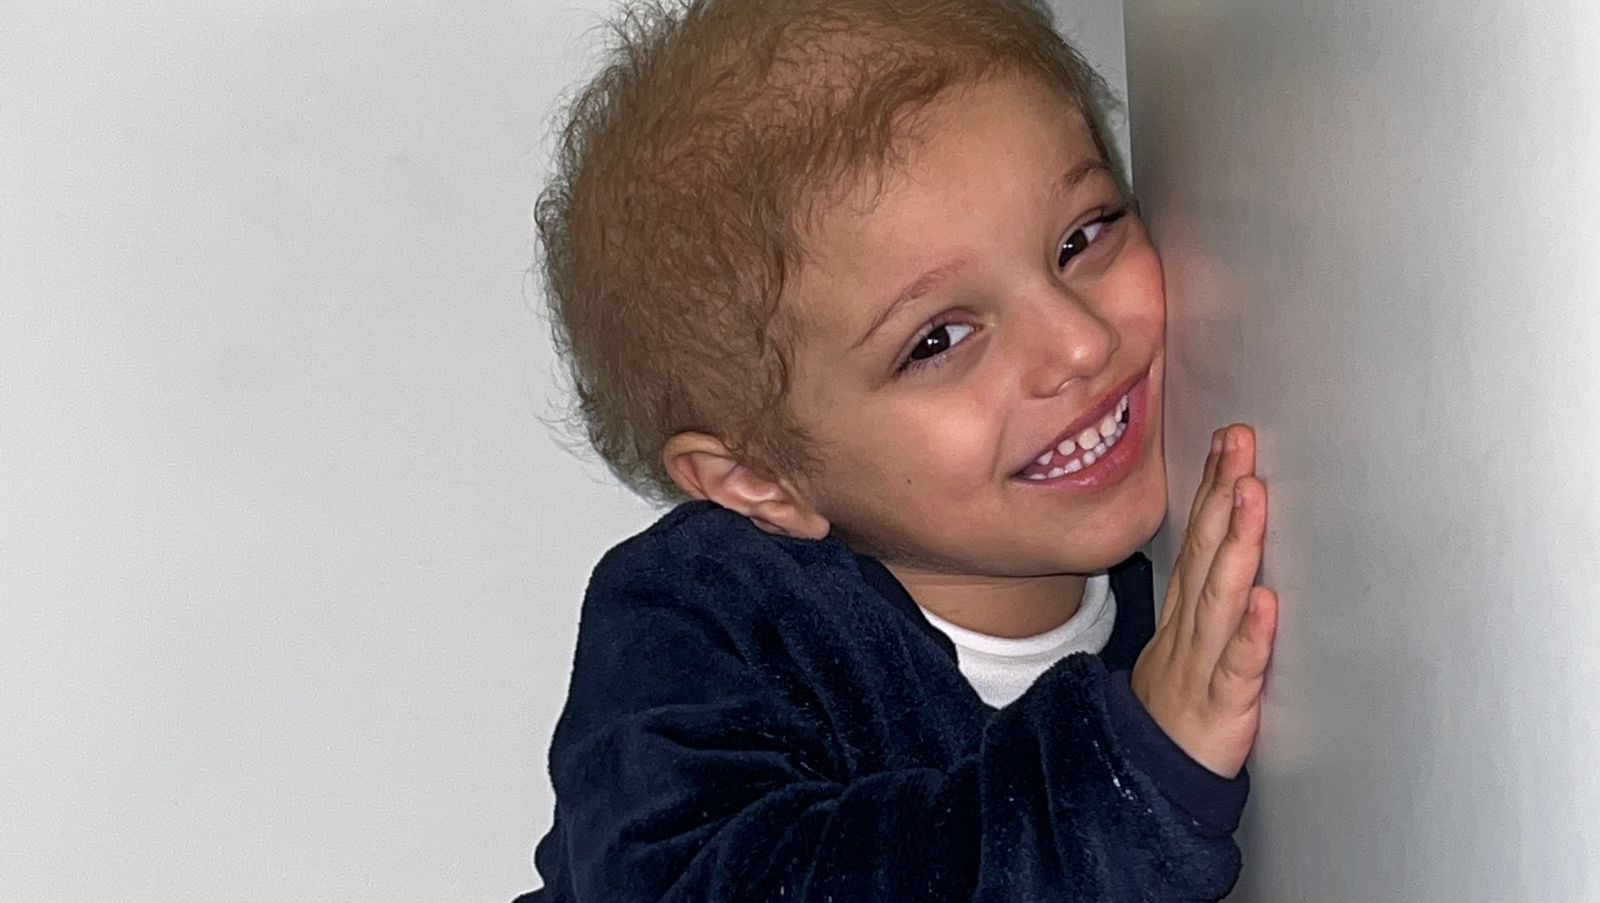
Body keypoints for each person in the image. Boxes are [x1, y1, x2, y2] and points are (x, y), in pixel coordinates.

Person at [517, 0, 1278, 899]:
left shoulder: (1180, 575)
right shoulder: (712, 617)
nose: (1079, 343)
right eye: (938, 340)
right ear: (761, 478)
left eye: (1081, 238)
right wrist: (1122, 782)